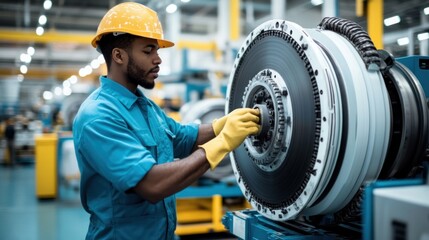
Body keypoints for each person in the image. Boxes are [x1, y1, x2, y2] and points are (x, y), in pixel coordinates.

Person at [72, 2, 260, 240]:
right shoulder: (98, 116)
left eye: (157, 51)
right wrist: (222, 143)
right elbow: (151, 185)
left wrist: (220, 125)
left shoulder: (146, 106)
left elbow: (181, 137)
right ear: (118, 55)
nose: (158, 59)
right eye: (148, 50)